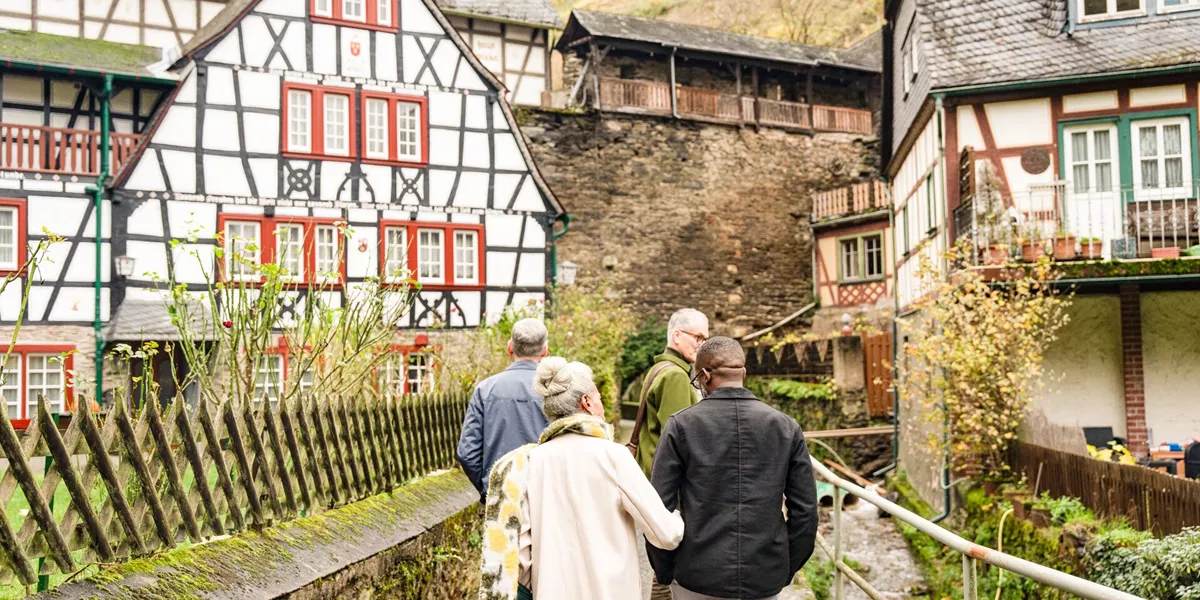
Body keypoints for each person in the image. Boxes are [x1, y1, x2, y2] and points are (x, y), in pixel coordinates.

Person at [478, 358, 684, 600]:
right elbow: (666, 535)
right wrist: (680, 515)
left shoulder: (532, 462)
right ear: (586, 402)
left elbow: (519, 558)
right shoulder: (614, 456)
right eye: (597, 396)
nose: (601, 403)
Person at [648, 336, 819, 600]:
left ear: (704, 376)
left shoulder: (681, 426)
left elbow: (659, 507)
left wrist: (665, 570)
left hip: (697, 573)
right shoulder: (785, 427)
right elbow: (806, 512)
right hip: (764, 573)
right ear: (744, 373)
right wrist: (785, 569)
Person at [457, 318, 551, 502]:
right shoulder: (555, 391)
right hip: (544, 495)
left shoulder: (485, 390)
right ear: (545, 350)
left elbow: (467, 453)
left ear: (510, 347)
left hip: (500, 494)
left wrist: (487, 486)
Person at [634, 308, 709, 478]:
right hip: (665, 484)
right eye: (698, 337)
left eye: (705, 339)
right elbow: (680, 443)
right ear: (676, 336)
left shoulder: (659, 369)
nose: (702, 345)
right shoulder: (675, 376)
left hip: (651, 476)